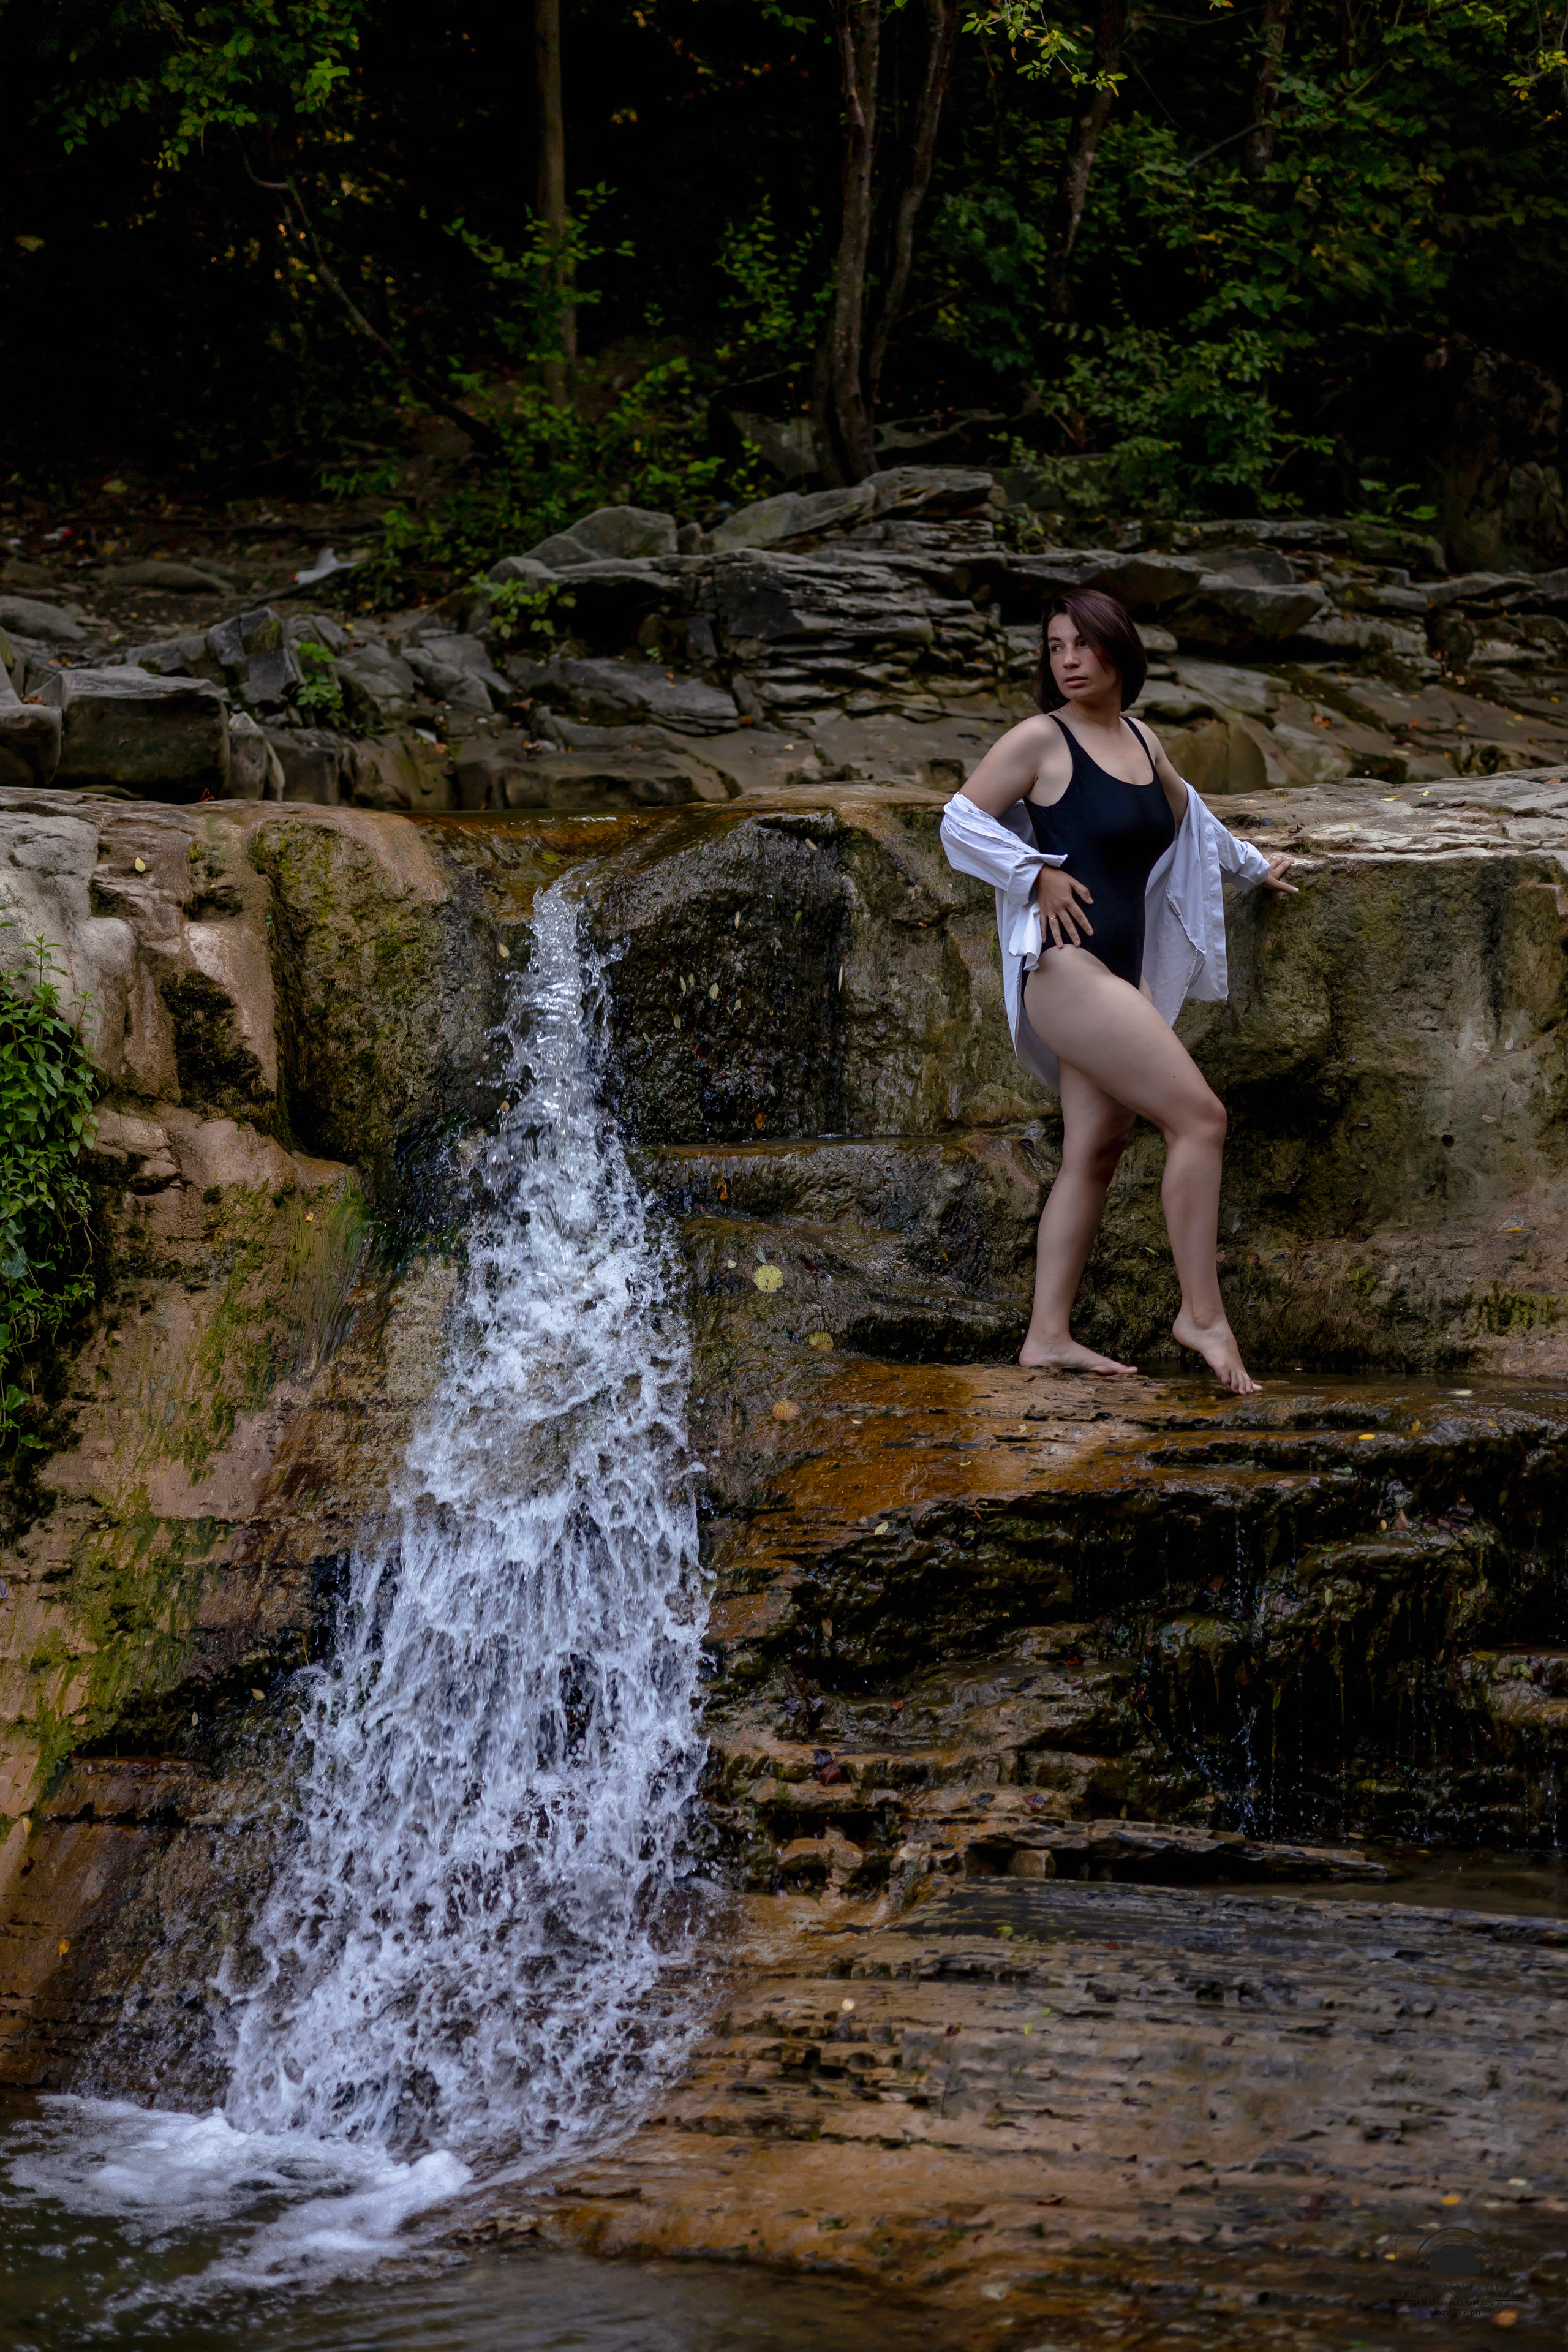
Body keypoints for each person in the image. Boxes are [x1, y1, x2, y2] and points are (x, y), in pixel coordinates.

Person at [940, 588, 1298, 1395]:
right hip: (1068, 975)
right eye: (1055, 646)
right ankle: (1201, 1314)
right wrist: (1034, 875)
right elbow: (959, 821)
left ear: (1119, 654)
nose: (1066, 660)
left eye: (1082, 645)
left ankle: (1047, 1336)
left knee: (1095, 1153)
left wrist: (1254, 867)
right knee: (1201, 1117)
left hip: (1117, 975)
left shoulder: (1142, 741)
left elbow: (1192, 822)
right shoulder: (1041, 739)